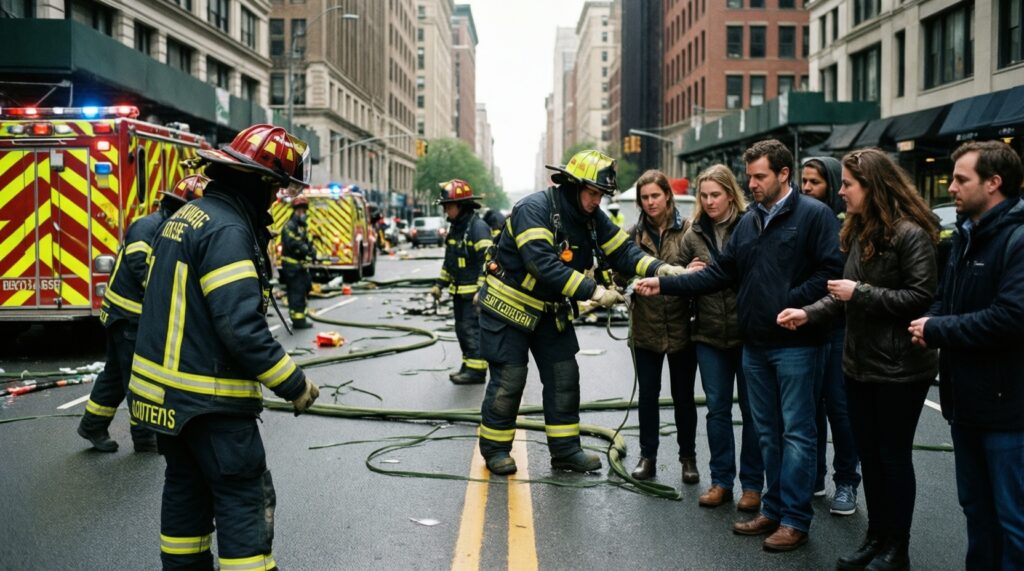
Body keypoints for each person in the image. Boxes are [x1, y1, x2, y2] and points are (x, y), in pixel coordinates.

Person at [127, 124, 320, 570]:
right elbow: (241, 329)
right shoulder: (229, 230)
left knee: (185, 492)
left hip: (167, 402)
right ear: (262, 183)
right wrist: (295, 384)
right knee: (241, 496)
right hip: (210, 401)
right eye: (277, 189)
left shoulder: (186, 218)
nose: (275, 201)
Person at [635, 139, 842, 552]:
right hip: (756, 345)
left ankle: (795, 520)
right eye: (749, 176)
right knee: (766, 431)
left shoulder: (814, 215)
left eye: (760, 176)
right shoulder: (750, 223)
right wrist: (666, 283)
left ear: (784, 174)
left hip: (797, 343)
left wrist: (790, 299)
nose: (753, 183)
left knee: (797, 433)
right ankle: (773, 507)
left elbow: (831, 273)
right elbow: (720, 273)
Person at [476, 149, 684, 475]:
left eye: (601, 195)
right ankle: (495, 450)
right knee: (510, 380)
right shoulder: (535, 209)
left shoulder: (590, 217)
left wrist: (660, 269)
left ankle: (565, 451)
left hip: (549, 310)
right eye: (592, 193)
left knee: (564, 379)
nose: (596, 201)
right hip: (509, 308)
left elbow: (623, 252)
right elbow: (542, 264)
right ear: (572, 185)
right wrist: (595, 292)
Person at [779, 148, 940, 570]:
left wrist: (860, 293)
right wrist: (809, 313)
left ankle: (897, 549)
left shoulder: (911, 234)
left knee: (892, 457)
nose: (843, 192)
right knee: (870, 455)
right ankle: (876, 539)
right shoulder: (857, 230)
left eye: (849, 185)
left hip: (901, 368)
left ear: (872, 186)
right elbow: (842, 297)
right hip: (860, 364)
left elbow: (921, 297)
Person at [909, 140, 1024, 571]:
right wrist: (930, 322)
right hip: (967, 405)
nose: (951, 187)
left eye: (961, 179)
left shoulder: (1017, 239)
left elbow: (1011, 318)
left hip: (1009, 411)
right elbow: (945, 298)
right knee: (976, 512)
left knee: (1014, 521)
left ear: (994, 183)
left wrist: (938, 329)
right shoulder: (964, 234)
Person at [78, 175, 208, 454]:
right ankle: (144, 438)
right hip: (127, 314)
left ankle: (93, 424)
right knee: (137, 376)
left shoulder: (168, 226)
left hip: (129, 314)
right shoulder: (148, 227)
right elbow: (141, 265)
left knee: (115, 374)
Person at [678, 164, 764, 512]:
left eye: (716, 194)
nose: (710, 201)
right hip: (709, 334)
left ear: (731, 193)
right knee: (717, 410)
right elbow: (675, 275)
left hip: (747, 334)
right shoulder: (693, 233)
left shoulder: (751, 224)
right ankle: (721, 481)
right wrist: (684, 273)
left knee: (753, 412)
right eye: (704, 195)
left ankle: (753, 485)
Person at [626, 169, 700, 484]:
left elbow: (703, 270)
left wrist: (690, 272)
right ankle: (648, 457)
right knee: (648, 396)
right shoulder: (632, 235)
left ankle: (688, 459)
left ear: (667, 195)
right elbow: (619, 274)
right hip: (646, 327)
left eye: (655, 195)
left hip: (683, 326)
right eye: (645, 198)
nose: (650, 202)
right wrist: (627, 279)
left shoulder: (690, 231)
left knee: (684, 396)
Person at [800, 156, 862, 515]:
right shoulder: (800, 219)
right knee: (810, 408)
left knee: (839, 409)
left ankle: (846, 483)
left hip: (838, 328)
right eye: (804, 181)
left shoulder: (849, 227)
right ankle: (814, 476)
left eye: (816, 182)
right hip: (807, 325)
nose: (807, 188)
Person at [431, 179, 493, 385]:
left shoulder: (478, 228)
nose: (446, 210)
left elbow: (489, 261)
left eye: (448, 206)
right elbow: (450, 262)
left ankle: (477, 371)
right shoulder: (457, 228)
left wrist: (481, 290)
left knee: (471, 331)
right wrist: (439, 284)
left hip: (472, 295)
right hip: (458, 292)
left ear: (461, 206)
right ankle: (468, 365)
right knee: (462, 331)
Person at [279, 194, 314, 329]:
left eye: (304, 210)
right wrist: (306, 249)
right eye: (300, 210)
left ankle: (300, 316)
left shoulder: (302, 226)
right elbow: (294, 243)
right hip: (292, 267)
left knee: (304, 290)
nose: (302, 213)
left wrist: (312, 249)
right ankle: (298, 321)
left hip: (300, 267)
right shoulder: (289, 226)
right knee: (296, 293)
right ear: (295, 211)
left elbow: (306, 241)